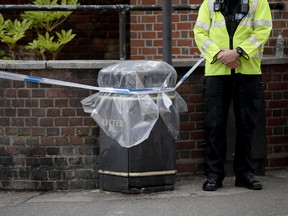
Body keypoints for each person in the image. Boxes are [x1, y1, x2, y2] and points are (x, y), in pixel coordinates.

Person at [193, 0, 272, 191]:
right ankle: (214, 175)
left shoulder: (258, 1)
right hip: (217, 71)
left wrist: (238, 53)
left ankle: (245, 173)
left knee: (246, 125)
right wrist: (220, 54)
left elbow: (263, 31)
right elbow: (200, 32)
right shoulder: (210, 2)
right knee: (214, 124)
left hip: (248, 71)